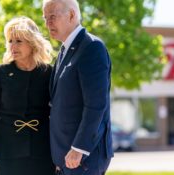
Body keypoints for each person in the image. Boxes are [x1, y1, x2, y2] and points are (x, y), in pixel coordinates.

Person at [42, 0, 113, 174]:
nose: (47, 23)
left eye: (52, 16)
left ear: (72, 15)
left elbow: (96, 105)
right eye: (45, 18)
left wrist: (79, 148)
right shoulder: (64, 51)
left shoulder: (92, 47)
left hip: (83, 159)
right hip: (66, 159)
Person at [0, 16, 55, 175]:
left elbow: (57, 113)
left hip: (43, 154)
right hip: (6, 154)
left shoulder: (49, 73)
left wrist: (59, 154)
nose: (12, 46)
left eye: (19, 41)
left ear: (32, 43)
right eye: (10, 41)